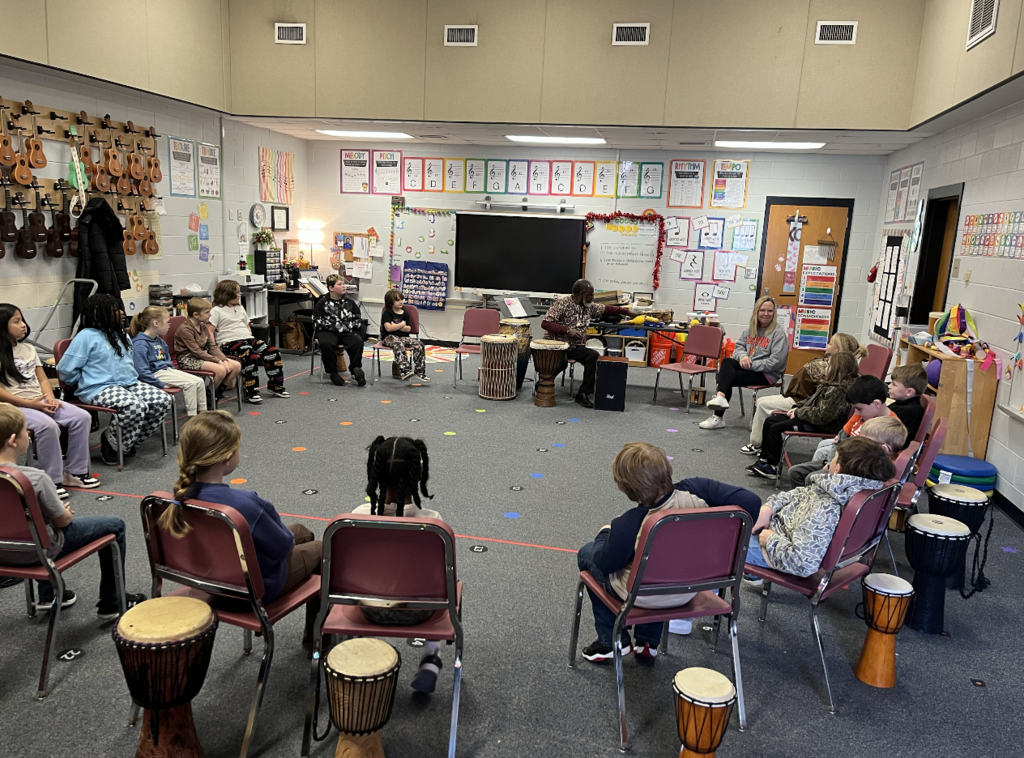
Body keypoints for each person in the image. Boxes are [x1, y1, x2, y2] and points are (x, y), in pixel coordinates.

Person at [158, 411, 322, 646]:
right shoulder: (245, 504)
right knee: (323, 547)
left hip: (211, 582)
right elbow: (283, 546)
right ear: (227, 457)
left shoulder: (175, 501)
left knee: (301, 531)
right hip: (256, 589)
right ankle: (316, 641)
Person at [0, 404, 145, 615]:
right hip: (39, 551)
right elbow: (62, 522)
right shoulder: (35, 478)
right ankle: (113, 601)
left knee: (37, 524)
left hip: (5, 552)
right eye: (25, 433)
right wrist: (63, 512)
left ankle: (49, 595)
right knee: (115, 526)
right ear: (13, 440)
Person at [577, 442, 708, 663]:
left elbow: (607, 563)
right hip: (687, 591)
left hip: (642, 596)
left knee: (587, 554)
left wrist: (604, 535)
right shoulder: (699, 503)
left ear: (626, 487)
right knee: (664, 565)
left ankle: (610, 640)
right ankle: (648, 642)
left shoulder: (628, 523)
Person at [354, 435, 446, 692]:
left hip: (367, 609)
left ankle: (356, 647)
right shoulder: (433, 523)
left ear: (375, 475)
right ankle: (431, 657)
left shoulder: (355, 518)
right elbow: (441, 580)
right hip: (418, 613)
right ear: (418, 476)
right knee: (444, 586)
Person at [745, 437, 895, 579]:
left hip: (774, 549)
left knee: (723, 541)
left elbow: (803, 564)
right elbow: (801, 493)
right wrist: (769, 507)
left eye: (834, 458)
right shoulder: (846, 488)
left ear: (837, 468)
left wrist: (770, 539)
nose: (829, 463)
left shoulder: (826, 508)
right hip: (782, 531)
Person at [57, 294, 173, 466]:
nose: (121, 313)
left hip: (128, 383)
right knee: (135, 406)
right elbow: (65, 369)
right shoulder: (86, 336)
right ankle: (112, 443)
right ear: (99, 314)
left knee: (163, 400)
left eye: (120, 309)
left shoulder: (121, 335)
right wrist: (79, 382)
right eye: (114, 310)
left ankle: (127, 442)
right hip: (98, 387)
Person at [0, 304, 99, 498]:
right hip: (13, 407)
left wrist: (50, 397)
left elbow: (43, 378)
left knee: (82, 417)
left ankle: (75, 472)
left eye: (22, 320)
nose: (23, 325)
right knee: (48, 426)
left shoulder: (28, 348)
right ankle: (52, 479)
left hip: (41, 401)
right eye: (16, 321)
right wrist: (30, 404)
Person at [742, 333, 865, 455]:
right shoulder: (839, 368)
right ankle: (763, 445)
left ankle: (757, 443)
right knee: (762, 402)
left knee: (764, 405)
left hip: (805, 402)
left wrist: (798, 411)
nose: (827, 345)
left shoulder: (828, 370)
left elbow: (821, 411)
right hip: (805, 400)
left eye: (830, 343)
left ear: (838, 350)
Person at [747, 352, 859, 480]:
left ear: (837, 369)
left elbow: (822, 416)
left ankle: (772, 467)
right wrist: (796, 408)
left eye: (828, 366)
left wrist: (799, 413)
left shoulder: (837, 391)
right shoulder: (828, 384)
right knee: (770, 421)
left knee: (776, 428)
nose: (825, 368)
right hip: (810, 417)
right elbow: (809, 400)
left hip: (822, 425)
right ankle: (764, 459)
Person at [786, 375, 898, 488]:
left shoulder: (889, 427)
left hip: (855, 470)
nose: (856, 413)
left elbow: (873, 463)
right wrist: (830, 463)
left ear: (876, 404)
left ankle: (816, 501)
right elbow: (840, 438)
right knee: (795, 473)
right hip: (839, 461)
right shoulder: (862, 414)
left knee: (812, 478)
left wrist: (834, 466)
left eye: (859, 408)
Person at [541, 279, 635, 408]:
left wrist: (627, 312)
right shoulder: (562, 304)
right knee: (561, 362)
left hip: (574, 346)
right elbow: (545, 323)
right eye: (590, 294)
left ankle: (584, 393)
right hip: (557, 345)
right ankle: (544, 383)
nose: (592, 297)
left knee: (592, 355)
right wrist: (568, 331)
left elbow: (607, 309)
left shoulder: (589, 306)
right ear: (581, 294)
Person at [701, 296, 789, 429]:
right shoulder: (749, 330)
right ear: (756, 312)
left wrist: (751, 364)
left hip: (767, 374)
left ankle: (718, 416)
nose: (766, 314)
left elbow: (775, 362)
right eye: (762, 310)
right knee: (727, 362)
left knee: (727, 377)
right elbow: (738, 348)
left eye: (770, 311)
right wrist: (742, 357)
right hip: (749, 367)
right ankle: (720, 398)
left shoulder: (778, 334)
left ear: (774, 313)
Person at [210, 280, 289, 403]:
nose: (239, 294)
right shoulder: (216, 311)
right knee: (250, 355)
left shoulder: (240, 307)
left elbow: (247, 325)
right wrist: (214, 348)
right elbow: (210, 331)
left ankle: (275, 386)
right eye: (237, 292)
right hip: (228, 342)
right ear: (227, 294)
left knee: (272, 351)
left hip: (246, 339)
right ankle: (250, 392)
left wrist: (248, 336)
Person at [129, 306, 208, 417]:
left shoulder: (159, 341)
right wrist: (159, 384)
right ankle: (193, 417)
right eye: (167, 322)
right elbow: (141, 371)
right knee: (190, 384)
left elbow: (167, 360)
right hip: (156, 373)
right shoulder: (140, 344)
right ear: (155, 323)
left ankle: (203, 414)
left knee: (199, 381)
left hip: (167, 370)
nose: (169, 326)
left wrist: (174, 372)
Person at [173, 297, 243, 401]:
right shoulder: (185, 329)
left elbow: (212, 346)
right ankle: (209, 397)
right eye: (207, 313)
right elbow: (196, 351)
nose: (210, 315)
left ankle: (215, 393)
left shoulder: (203, 325)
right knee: (221, 370)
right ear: (196, 315)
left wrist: (223, 359)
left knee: (236, 366)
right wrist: (218, 361)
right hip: (188, 358)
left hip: (202, 355)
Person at [313, 274, 365, 387]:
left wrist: (350, 326)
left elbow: (358, 319)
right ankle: (333, 372)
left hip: (346, 331)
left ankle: (355, 368)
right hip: (327, 332)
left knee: (357, 341)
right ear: (331, 288)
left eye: (343, 284)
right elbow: (317, 321)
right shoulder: (321, 303)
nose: (344, 286)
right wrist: (336, 326)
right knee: (327, 344)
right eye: (340, 284)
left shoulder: (350, 303)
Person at [380, 289, 429, 382]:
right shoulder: (387, 313)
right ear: (391, 302)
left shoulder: (405, 313)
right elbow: (388, 329)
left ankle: (420, 372)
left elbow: (408, 329)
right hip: (389, 337)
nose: (401, 302)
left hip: (403, 337)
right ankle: (405, 370)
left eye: (401, 299)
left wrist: (395, 325)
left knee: (419, 345)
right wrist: (402, 324)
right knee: (398, 343)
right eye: (397, 300)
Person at [887, 363, 927, 442]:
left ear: (909, 392)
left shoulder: (906, 411)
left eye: (894, 384)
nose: (889, 386)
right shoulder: (905, 404)